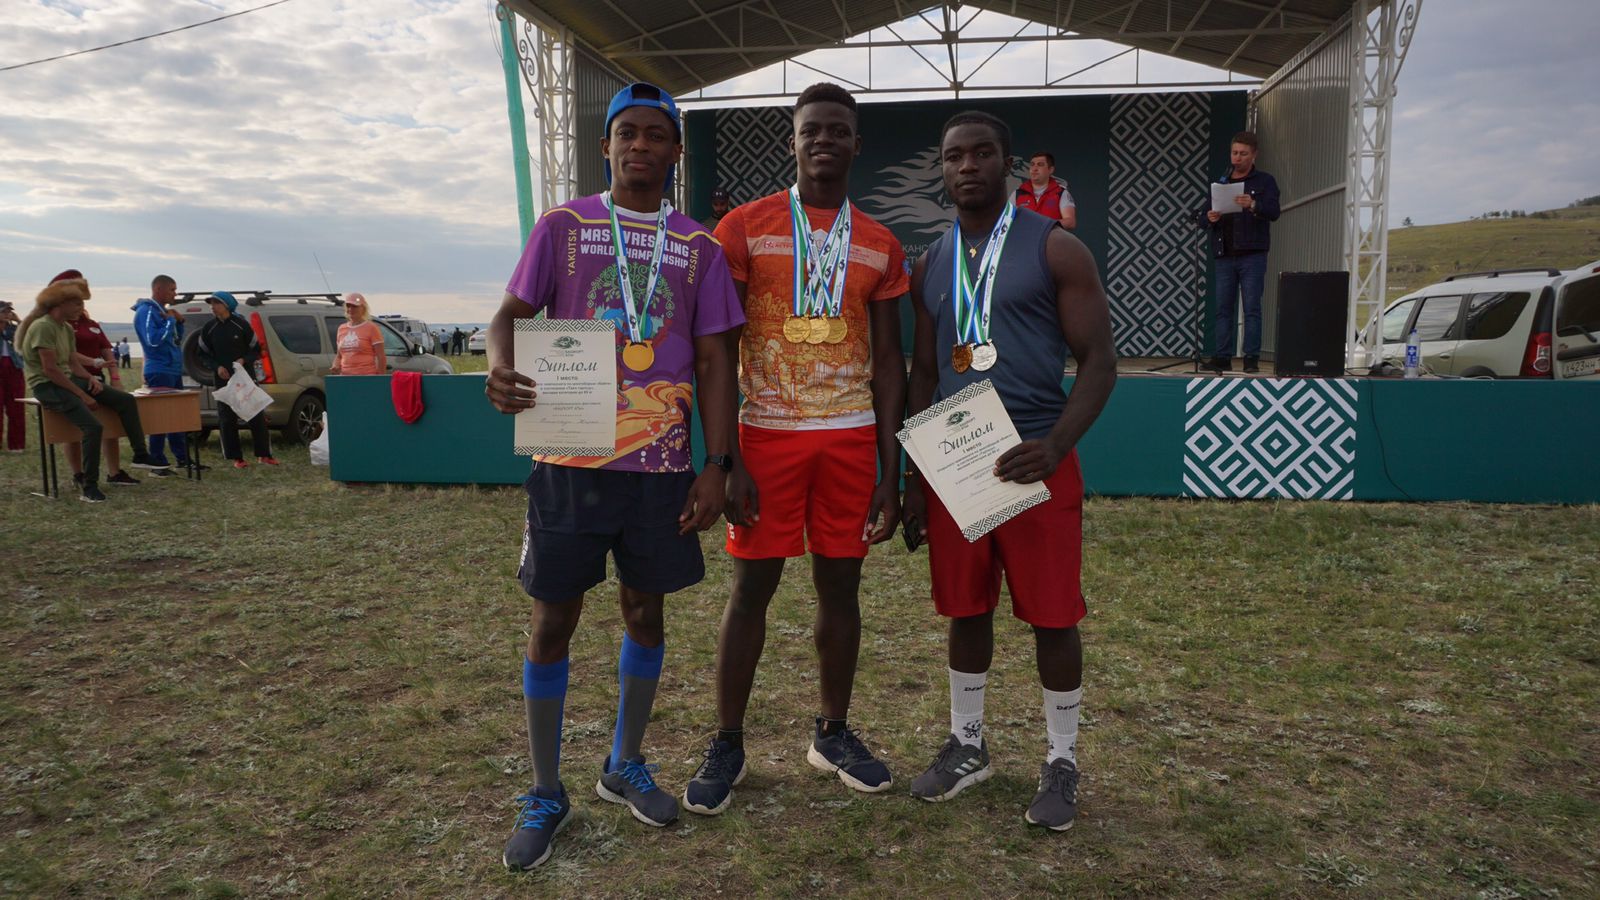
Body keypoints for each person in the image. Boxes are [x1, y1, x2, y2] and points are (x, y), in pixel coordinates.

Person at [485, 81, 743, 871]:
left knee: (645, 613)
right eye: (627, 132)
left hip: (659, 470)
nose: (640, 145)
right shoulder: (564, 227)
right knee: (552, 621)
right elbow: (508, 318)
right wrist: (498, 367)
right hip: (569, 459)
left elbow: (715, 361)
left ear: (675, 151)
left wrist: (717, 464)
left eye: (655, 135)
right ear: (606, 146)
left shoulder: (699, 247)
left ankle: (624, 762)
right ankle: (544, 790)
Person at [683, 82, 908, 817]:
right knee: (752, 590)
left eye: (838, 130)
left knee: (841, 590)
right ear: (793, 140)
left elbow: (890, 363)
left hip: (849, 440)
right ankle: (727, 742)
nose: (824, 140)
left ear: (855, 144)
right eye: (812, 130)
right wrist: (727, 459)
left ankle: (832, 734)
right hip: (766, 437)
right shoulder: (743, 228)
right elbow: (718, 350)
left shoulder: (879, 241)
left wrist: (892, 470)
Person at [902, 111, 1117, 832]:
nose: (967, 166)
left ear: (1008, 163)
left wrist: (1054, 446)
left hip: (1032, 460)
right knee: (966, 608)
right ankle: (968, 745)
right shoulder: (931, 263)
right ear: (942, 168)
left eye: (982, 153)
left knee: (1053, 616)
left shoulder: (1055, 247)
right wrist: (914, 478)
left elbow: (1100, 362)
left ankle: (1062, 759)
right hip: (957, 464)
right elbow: (924, 372)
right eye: (954, 156)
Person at [18, 272, 164, 502]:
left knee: (125, 400)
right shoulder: (43, 327)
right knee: (93, 428)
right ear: (61, 303)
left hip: (67, 379)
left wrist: (90, 379)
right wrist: (82, 394)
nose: (81, 307)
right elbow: (50, 370)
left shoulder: (65, 328)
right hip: (47, 386)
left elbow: (72, 363)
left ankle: (140, 454)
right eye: (77, 303)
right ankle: (89, 487)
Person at [1201, 131, 1280, 374]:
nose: (1237, 158)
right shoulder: (1221, 183)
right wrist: (1210, 217)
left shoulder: (1264, 181)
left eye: (1243, 153)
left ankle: (1251, 358)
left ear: (1254, 155)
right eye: (1234, 153)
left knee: (1251, 307)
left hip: (1252, 254)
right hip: (1225, 253)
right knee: (1223, 308)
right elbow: (1203, 216)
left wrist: (1253, 204)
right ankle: (1222, 357)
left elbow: (1274, 212)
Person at [63, 287, 144, 486]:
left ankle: (114, 473)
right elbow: (67, 354)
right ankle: (79, 474)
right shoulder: (61, 326)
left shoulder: (92, 324)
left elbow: (107, 350)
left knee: (109, 426)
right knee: (74, 431)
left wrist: (115, 376)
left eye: (82, 302)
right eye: (76, 302)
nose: (80, 306)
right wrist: (93, 362)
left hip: (99, 380)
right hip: (74, 380)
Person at [197, 291, 278, 469]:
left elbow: (256, 349)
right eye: (211, 303)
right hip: (222, 380)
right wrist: (217, 367)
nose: (212, 306)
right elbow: (202, 354)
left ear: (227, 305)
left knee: (256, 415)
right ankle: (236, 458)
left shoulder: (241, 325)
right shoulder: (209, 328)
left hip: (245, 378)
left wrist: (243, 360)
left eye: (216, 303)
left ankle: (264, 455)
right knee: (227, 419)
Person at [132, 274, 200, 469]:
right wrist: (170, 321)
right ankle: (157, 461)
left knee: (175, 417)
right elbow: (153, 341)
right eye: (172, 289)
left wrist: (178, 322)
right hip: (159, 369)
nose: (174, 294)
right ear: (158, 289)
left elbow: (175, 340)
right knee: (160, 418)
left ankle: (182, 458)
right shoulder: (146, 311)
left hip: (172, 368)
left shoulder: (163, 311)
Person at [1014, 152, 1077, 230]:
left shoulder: (1060, 193)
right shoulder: (1017, 193)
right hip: (1023, 237)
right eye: (1032, 164)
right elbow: (1005, 221)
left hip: (1050, 237)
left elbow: (1070, 222)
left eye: (1040, 165)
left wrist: (1044, 226)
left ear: (1050, 170)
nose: (1034, 169)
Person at [329, 293, 387, 375]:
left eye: (354, 306)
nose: (351, 309)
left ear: (363, 308)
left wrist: (380, 379)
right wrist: (335, 365)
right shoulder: (341, 328)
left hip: (367, 376)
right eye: (348, 306)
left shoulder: (371, 328)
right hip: (345, 377)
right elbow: (339, 356)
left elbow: (381, 356)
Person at [1, 301, 25, 453]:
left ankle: (16, 444)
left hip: (14, 368)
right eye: (4, 311)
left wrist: (18, 321)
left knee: (16, 406)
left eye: (9, 311)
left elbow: (29, 335)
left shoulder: (14, 329)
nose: (7, 314)